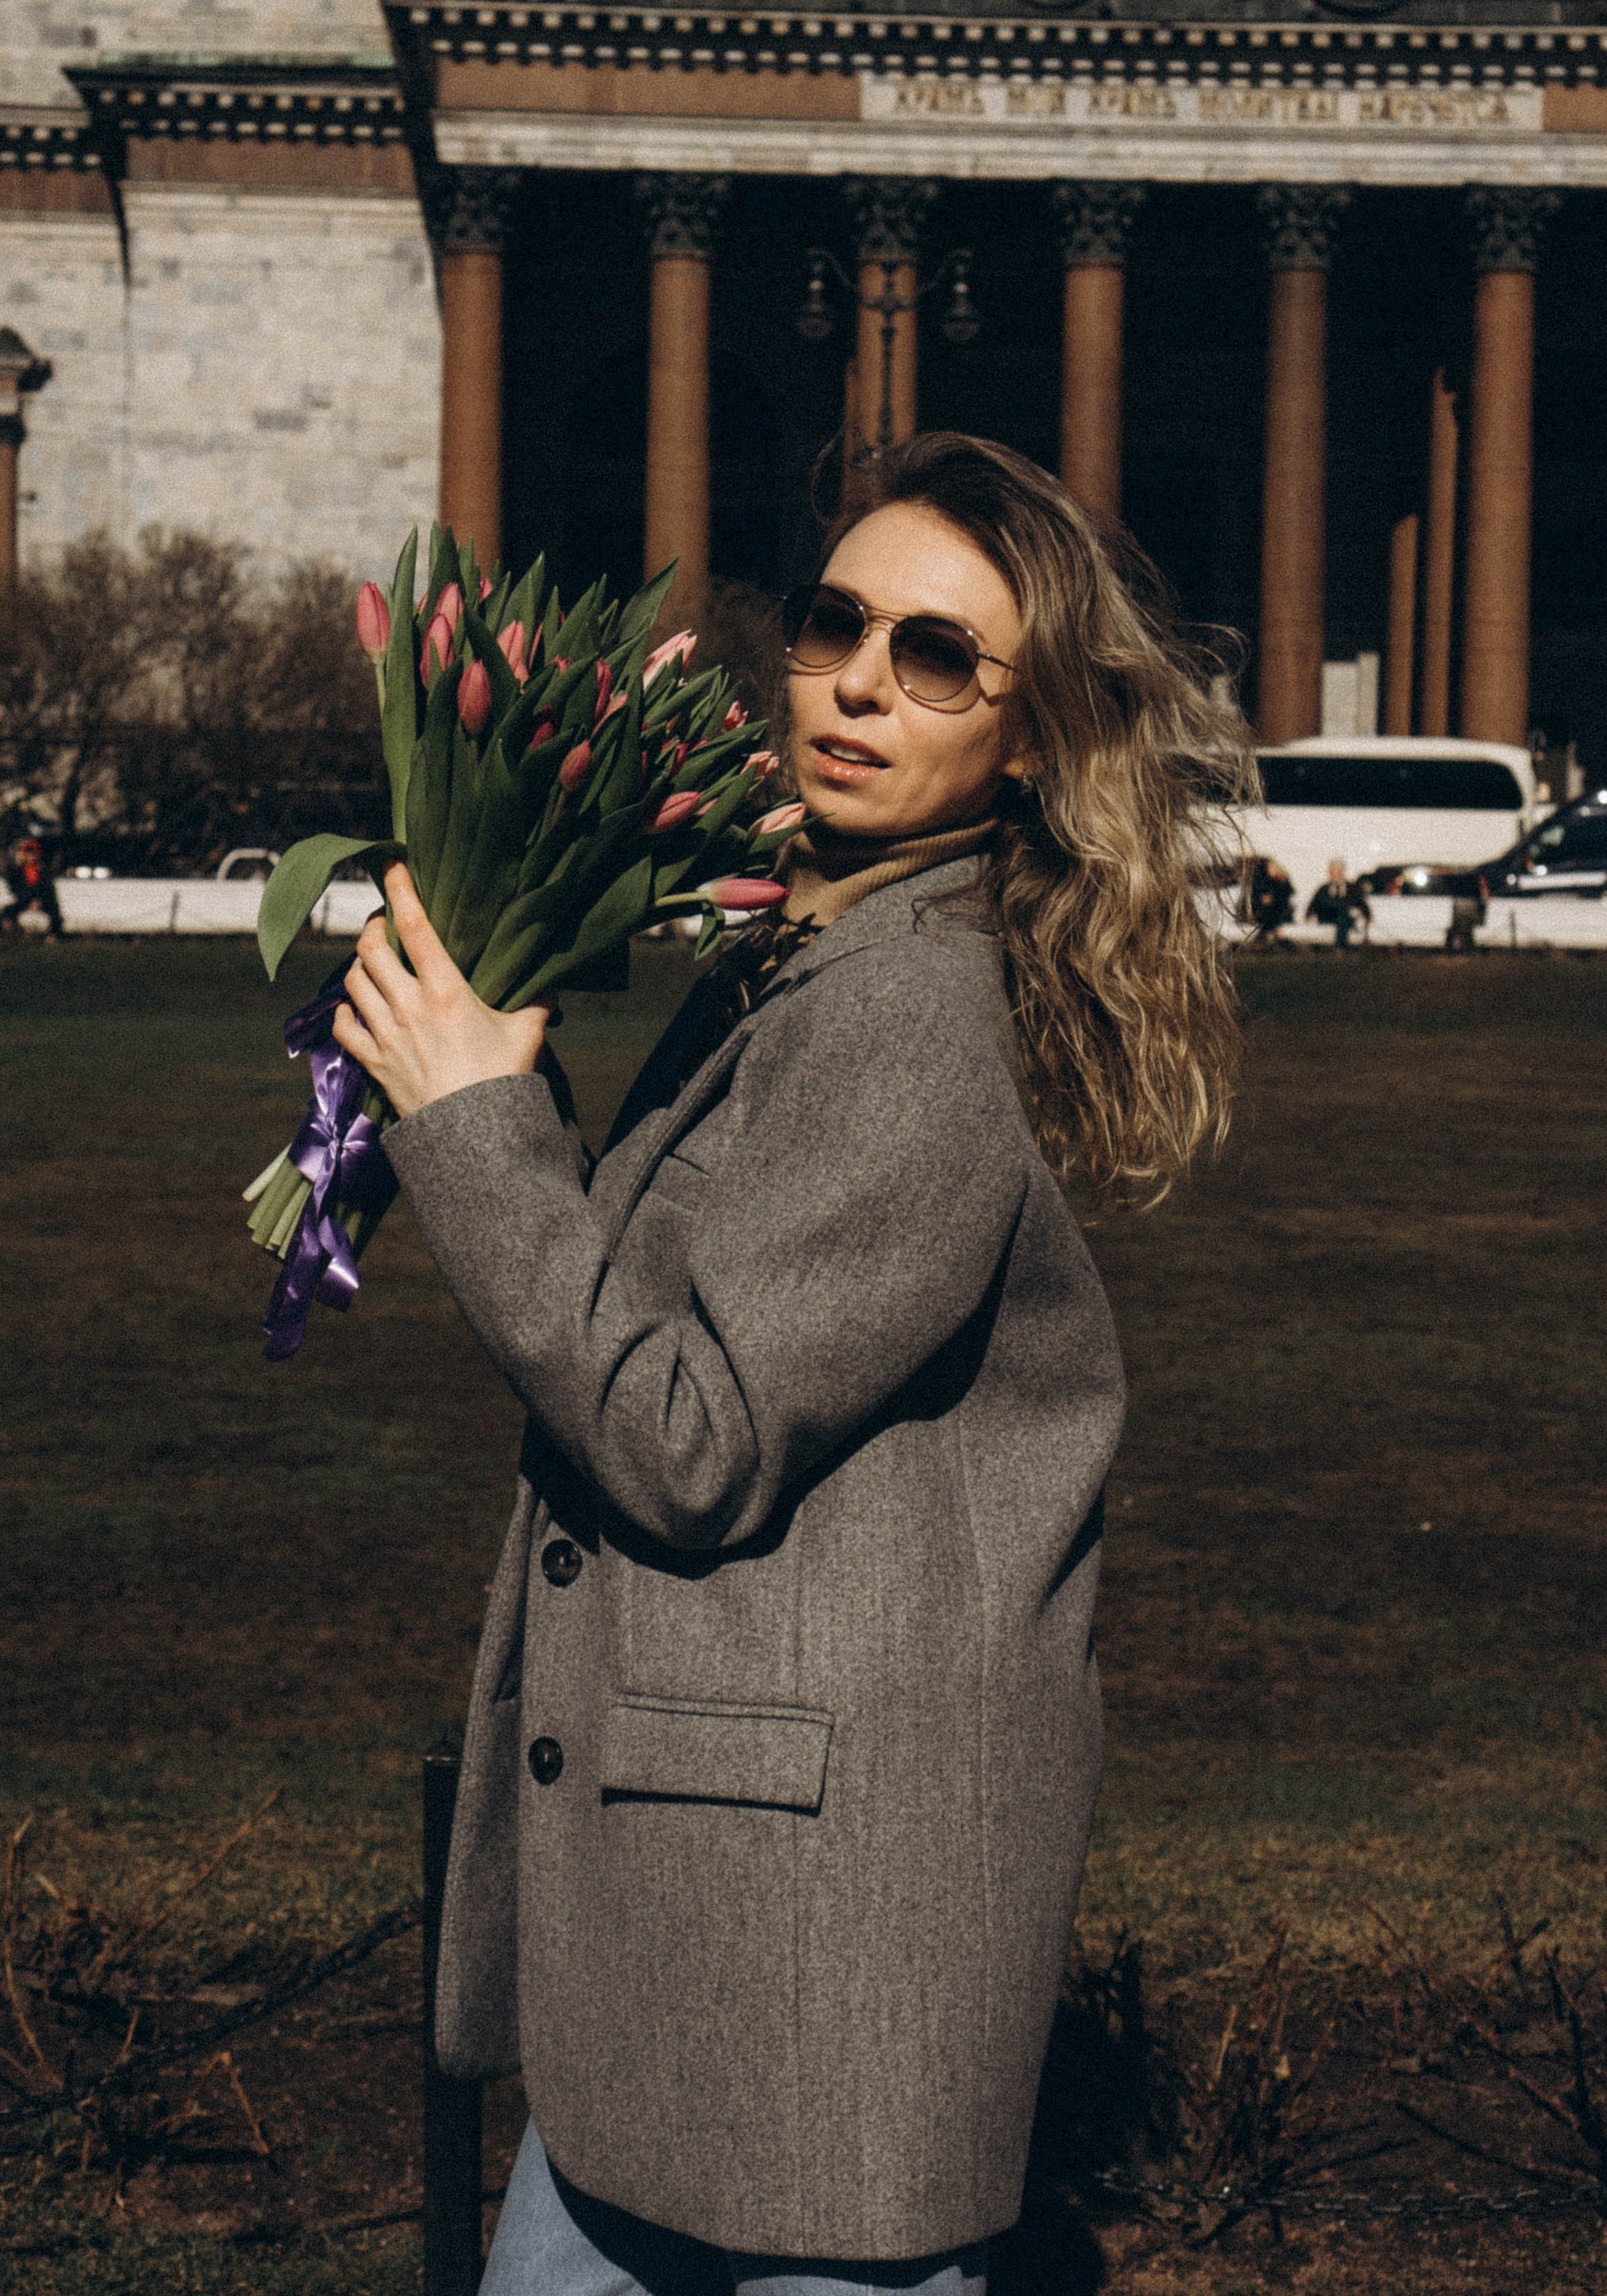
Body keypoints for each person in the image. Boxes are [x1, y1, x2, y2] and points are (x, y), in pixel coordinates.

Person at [332, 434, 1251, 2296]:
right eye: (838, 625)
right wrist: (503, 1081)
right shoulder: (812, 945)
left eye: (937, 657)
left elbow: (690, 1440)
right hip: (711, 1914)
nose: (854, 684)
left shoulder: (912, 1004)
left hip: (815, 1954)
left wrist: (469, 1123)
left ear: (1032, 735)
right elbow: (667, 1300)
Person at [1306, 858, 1369, 950]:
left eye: (1337, 872)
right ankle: (1342, 946)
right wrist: (1308, 915)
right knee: (1332, 904)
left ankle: (1340, 946)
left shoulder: (1352, 888)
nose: (1334, 875)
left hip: (1345, 918)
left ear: (1342, 872)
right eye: (1332, 872)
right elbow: (1314, 903)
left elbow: (1362, 903)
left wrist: (1368, 917)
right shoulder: (1323, 888)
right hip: (1328, 916)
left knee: (1343, 915)